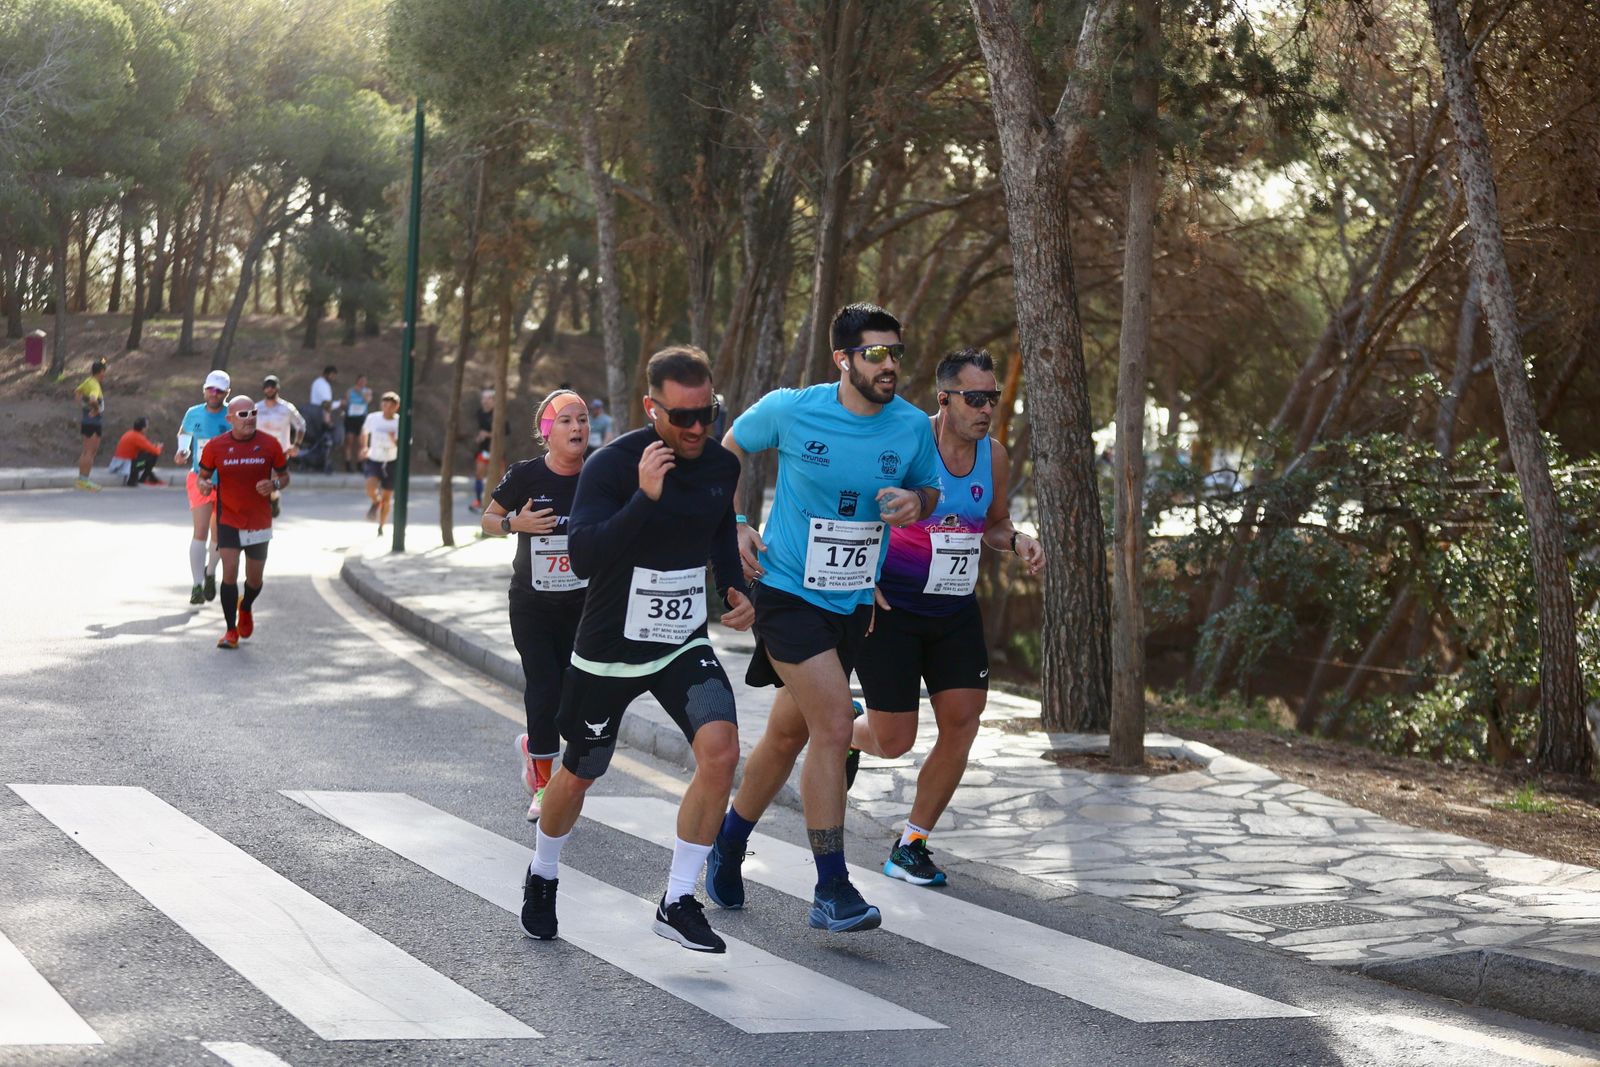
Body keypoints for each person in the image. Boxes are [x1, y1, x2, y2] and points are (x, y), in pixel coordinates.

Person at [707, 302, 942, 933]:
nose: (890, 364)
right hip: (786, 592)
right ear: (842, 359)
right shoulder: (791, 408)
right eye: (875, 353)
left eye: (896, 352)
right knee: (836, 725)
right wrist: (732, 525)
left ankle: (728, 843)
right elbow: (724, 454)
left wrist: (915, 501)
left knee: (789, 734)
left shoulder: (913, 426)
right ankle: (831, 888)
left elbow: (931, 489)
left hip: (855, 603)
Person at [520, 345, 754, 954]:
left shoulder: (719, 467)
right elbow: (587, 556)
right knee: (581, 772)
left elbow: (718, 533)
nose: (699, 428)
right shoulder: (612, 467)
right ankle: (543, 873)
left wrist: (736, 586)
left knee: (722, 752)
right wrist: (644, 497)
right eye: (684, 417)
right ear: (651, 409)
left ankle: (678, 898)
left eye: (709, 412)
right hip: (609, 649)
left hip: (680, 641)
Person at [848, 348, 1045, 887]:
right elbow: (856, 512)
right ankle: (846, 728)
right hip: (891, 610)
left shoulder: (995, 457)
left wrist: (1019, 540)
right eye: (975, 398)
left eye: (993, 399)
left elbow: (993, 523)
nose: (986, 410)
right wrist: (862, 581)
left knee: (963, 721)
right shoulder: (907, 446)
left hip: (954, 609)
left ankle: (911, 844)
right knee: (893, 742)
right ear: (944, 399)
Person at [480, 390, 591, 822]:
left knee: (573, 696)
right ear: (548, 432)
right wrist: (514, 524)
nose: (577, 428)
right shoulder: (525, 475)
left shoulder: (598, 474)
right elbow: (488, 520)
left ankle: (534, 748)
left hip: (584, 605)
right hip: (532, 605)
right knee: (543, 687)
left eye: (581, 419)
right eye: (565, 421)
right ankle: (545, 784)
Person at [198, 395, 289, 649]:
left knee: (255, 580)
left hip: (259, 522)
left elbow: (285, 476)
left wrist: (274, 484)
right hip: (228, 518)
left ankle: (246, 605)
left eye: (253, 414)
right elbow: (202, 476)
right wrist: (203, 484)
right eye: (243, 415)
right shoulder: (216, 447)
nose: (249, 419)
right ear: (230, 419)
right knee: (229, 572)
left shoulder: (270, 444)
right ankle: (230, 631)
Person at [175, 370, 234, 605]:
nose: (214, 394)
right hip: (198, 478)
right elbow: (184, 434)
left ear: (227, 393)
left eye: (219, 391)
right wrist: (183, 451)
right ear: (204, 390)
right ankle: (197, 585)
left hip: (226, 482)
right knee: (200, 531)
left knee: (218, 534)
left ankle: (210, 573)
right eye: (211, 389)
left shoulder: (232, 415)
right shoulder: (193, 413)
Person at [256, 375, 306, 517]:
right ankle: (271, 498)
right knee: (260, 480)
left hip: (280, 451)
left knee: (272, 479)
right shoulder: (257, 408)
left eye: (272, 386)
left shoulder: (286, 408)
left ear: (277, 388)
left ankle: (273, 498)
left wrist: (296, 445)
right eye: (267, 386)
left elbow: (301, 425)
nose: (270, 389)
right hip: (260, 451)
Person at [360, 391, 401, 534]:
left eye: (390, 406)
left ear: (396, 407)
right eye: (384, 405)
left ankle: (381, 526)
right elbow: (365, 432)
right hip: (374, 459)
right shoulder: (373, 418)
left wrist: (393, 439)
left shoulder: (400, 422)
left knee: (387, 497)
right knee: (370, 487)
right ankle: (375, 501)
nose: (387, 409)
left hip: (391, 461)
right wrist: (365, 447)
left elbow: (404, 445)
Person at [74, 359, 107, 491]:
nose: (105, 375)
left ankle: (82, 480)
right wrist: (95, 409)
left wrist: (82, 405)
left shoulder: (88, 381)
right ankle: (84, 481)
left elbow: (77, 392)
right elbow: (93, 398)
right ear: (101, 371)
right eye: (104, 372)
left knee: (87, 451)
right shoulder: (94, 385)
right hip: (93, 422)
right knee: (90, 452)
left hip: (87, 421)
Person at [108, 417, 163, 487]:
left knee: (144, 453)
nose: (148, 428)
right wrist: (159, 447)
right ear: (143, 428)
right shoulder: (138, 437)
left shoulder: (129, 433)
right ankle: (143, 479)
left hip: (117, 464)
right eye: (147, 426)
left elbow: (143, 448)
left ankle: (150, 478)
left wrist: (152, 447)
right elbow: (156, 452)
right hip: (128, 466)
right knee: (152, 456)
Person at [471, 388, 496, 511]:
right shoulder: (479, 413)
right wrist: (479, 436)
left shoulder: (498, 413)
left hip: (496, 451)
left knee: (499, 476)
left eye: (488, 398)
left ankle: (496, 504)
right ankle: (478, 500)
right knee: (479, 473)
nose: (485, 401)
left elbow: (504, 432)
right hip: (484, 450)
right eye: (483, 398)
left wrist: (488, 434)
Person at [343, 374, 372, 472]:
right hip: (351, 417)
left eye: (364, 381)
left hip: (361, 418)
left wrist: (360, 391)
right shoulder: (350, 391)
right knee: (349, 440)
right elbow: (346, 402)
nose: (362, 383)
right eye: (360, 381)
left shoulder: (367, 391)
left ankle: (360, 463)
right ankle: (348, 463)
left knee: (361, 442)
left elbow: (367, 400)